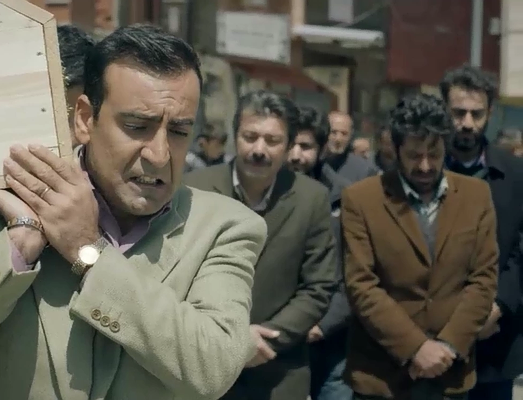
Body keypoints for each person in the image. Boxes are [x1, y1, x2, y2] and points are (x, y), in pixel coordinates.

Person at [0, 24, 267, 400]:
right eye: (137, 126)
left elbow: (213, 369)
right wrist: (21, 240)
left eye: (179, 131)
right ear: (84, 119)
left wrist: (89, 250)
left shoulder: (227, 227)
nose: (160, 154)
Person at [343, 94, 499, 400]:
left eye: (434, 153)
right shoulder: (361, 199)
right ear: (396, 149)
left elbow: (483, 279)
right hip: (381, 379)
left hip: (450, 375)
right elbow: (361, 285)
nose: (425, 165)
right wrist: (415, 348)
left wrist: (449, 345)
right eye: (414, 155)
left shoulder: (476, 195)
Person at [185, 91, 337, 400]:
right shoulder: (194, 188)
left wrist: (263, 339)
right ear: (235, 136)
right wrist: (221, 339)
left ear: (288, 145)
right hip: (200, 366)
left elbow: (318, 286)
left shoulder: (312, 199)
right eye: (250, 137)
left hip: (276, 372)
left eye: (272, 140)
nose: (259, 150)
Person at [440, 64, 523, 400]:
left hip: (494, 341)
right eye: (458, 113)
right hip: (430, 340)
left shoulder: (515, 174)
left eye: (476, 114)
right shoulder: (423, 168)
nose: (467, 123)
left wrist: (498, 306)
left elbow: (520, 251)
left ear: (490, 114)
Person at [287, 106, 353, 400]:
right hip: (277, 338)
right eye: (290, 144)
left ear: (322, 148)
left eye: (305, 146)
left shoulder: (344, 198)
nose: (295, 156)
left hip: (331, 342)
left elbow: (357, 271)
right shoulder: (264, 193)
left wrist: (322, 325)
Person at [324, 111, 379, 182]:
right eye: (333, 132)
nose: (338, 139)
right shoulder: (314, 164)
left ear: (350, 136)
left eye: (344, 134)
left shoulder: (364, 170)